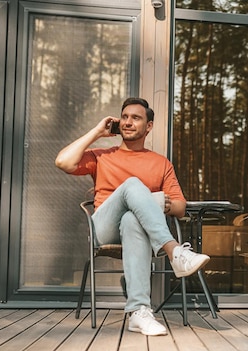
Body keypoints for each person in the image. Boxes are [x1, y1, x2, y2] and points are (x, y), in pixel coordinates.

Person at [55, 97, 209, 336]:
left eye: (135, 118)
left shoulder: (160, 163)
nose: (127, 122)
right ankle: (175, 252)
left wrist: (158, 204)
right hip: (104, 228)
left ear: (148, 126)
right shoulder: (102, 156)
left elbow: (180, 206)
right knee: (132, 186)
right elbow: (62, 161)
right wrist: (97, 132)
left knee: (132, 219)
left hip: (137, 230)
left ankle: (139, 312)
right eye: (124, 117)